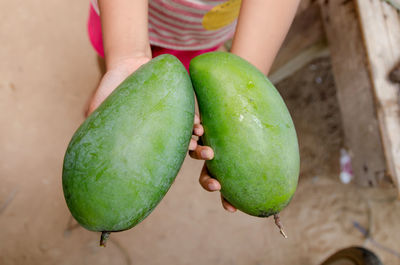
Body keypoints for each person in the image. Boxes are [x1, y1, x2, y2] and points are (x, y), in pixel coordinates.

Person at [86, 0, 300, 212]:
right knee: (118, 71)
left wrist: (239, 106)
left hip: (201, 33)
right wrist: (126, 57)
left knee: (180, 78)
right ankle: (109, 73)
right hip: (123, 16)